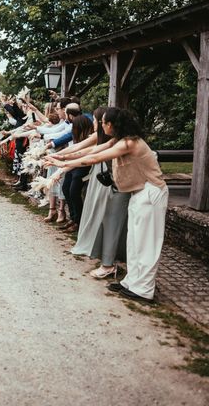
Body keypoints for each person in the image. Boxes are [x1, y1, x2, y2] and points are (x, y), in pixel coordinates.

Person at [45, 109, 168, 301]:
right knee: (134, 242)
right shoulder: (119, 140)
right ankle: (132, 282)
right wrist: (61, 158)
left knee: (145, 243)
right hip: (138, 193)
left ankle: (143, 289)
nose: (101, 125)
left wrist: (60, 165)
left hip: (151, 192)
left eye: (103, 122)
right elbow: (90, 150)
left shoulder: (129, 143)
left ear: (112, 124)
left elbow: (94, 159)